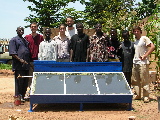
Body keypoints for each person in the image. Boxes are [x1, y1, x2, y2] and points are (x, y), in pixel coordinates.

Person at [132, 26, 155, 103]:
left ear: (140, 32)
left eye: (137, 31)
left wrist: (145, 56)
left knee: (144, 80)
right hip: (135, 63)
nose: (136, 33)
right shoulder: (134, 41)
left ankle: (146, 96)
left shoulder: (144, 39)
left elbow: (152, 47)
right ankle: (138, 95)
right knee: (135, 80)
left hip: (143, 63)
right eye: (134, 31)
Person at [9, 26, 30, 101]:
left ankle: (23, 96)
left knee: (25, 81)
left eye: (22, 30)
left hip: (26, 65)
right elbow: (12, 53)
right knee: (19, 81)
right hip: (19, 65)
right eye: (19, 30)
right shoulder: (14, 40)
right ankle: (18, 97)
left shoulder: (24, 40)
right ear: (16, 31)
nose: (21, 31)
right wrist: (20, 60)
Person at [24, 22, 44, 88]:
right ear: (30, 28)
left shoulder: (40, 37)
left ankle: (38, 90)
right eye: (32, 26)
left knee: (38, 76)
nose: (33, 28)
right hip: (29, 60)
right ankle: (30, 91)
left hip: (38, 60)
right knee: (30, 77)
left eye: (35, 26)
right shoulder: (27, 37)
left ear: (37, 28)